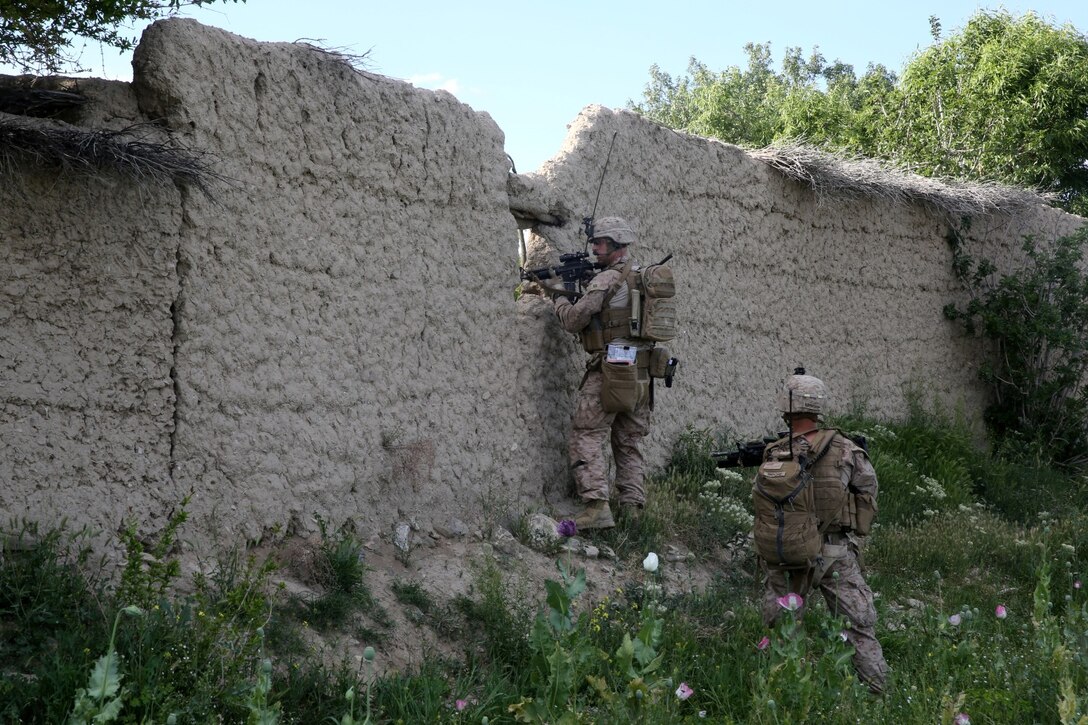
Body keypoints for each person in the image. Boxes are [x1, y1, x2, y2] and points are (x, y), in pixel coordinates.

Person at [756, 369, 888, 694]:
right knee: (859, 629)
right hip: (834, 552)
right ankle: (879, 692)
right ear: (818, 406)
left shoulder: (774, 453)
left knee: (783, 627)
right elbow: (868, 495)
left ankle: (784, 693)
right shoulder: (847, 450)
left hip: (788, 552)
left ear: (787, 407)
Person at [547, 217, 653, 530]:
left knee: (586, 434)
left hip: (611, 372)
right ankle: (632, 511)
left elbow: (573, 320)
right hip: (642, 373)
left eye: (600, 242)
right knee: (628, 442)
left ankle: (596, 507)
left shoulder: (606, 280)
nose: (594, 248)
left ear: (616, 244)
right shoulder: (641, 276)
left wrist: (559, 297)